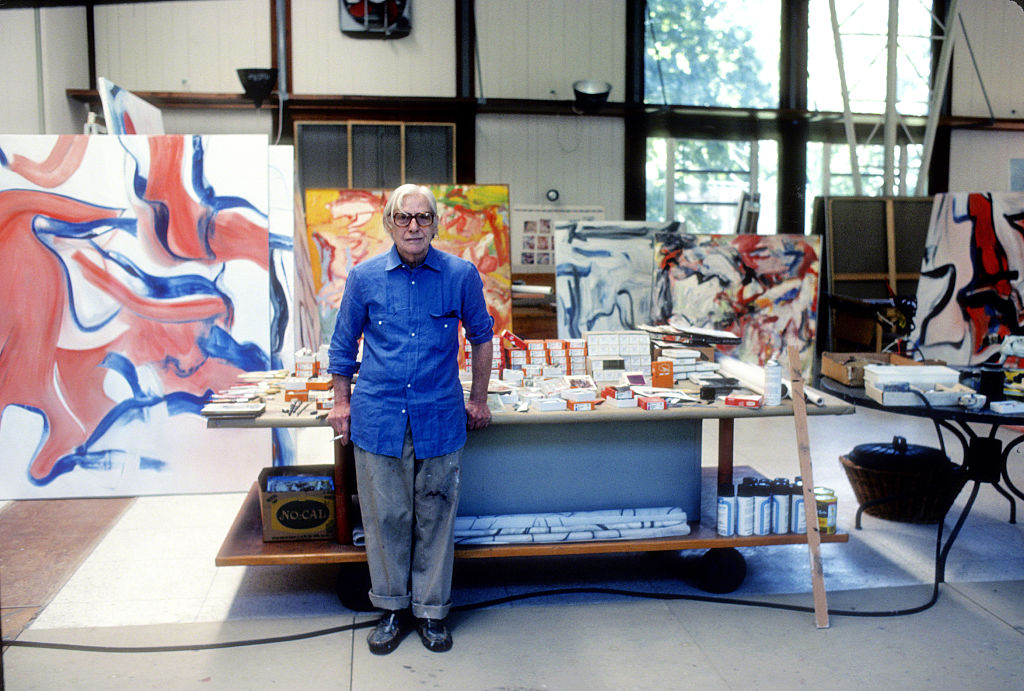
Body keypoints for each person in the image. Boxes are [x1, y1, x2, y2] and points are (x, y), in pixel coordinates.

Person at [326, 184, 494, 654]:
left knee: (436, 517)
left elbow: (483, 337)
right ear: (390, 225)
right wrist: (341, 403)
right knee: (387, 519)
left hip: (439, 415)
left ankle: (432, 614)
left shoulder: (461, 275)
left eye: (423, 218)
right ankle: (393, 610)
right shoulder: (364, 278)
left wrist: (478, 398)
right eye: (404, 218)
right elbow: (343, 346)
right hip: (378, 417)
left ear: (435, 224)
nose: (414, 226)